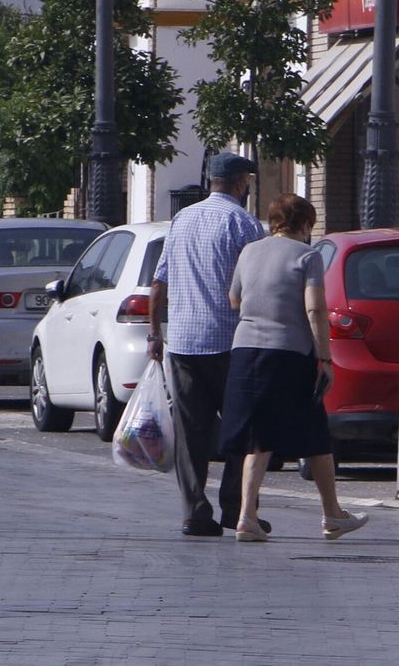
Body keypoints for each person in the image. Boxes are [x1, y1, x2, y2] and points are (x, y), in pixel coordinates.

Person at [220, 193, 368, 542]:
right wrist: (325, 359)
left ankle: (247, 517)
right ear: (304, 224)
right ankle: (332, 514)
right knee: (315, 433)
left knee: (258, 435)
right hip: (287, 353)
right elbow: (315, 309)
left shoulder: (249, 251)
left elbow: (234, 299)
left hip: (245, 350)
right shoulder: (308, 256)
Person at [148, 152, 267, 538]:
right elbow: (258, 284)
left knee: (191, 431)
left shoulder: (182, 219)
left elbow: (158, 282)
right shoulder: (244, 223)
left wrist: (155, 333)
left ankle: (194, 511)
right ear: (238, 183)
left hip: (183, 343)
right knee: (240, 428)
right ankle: (235, 508)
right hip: (231, 342)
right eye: (246, 180)